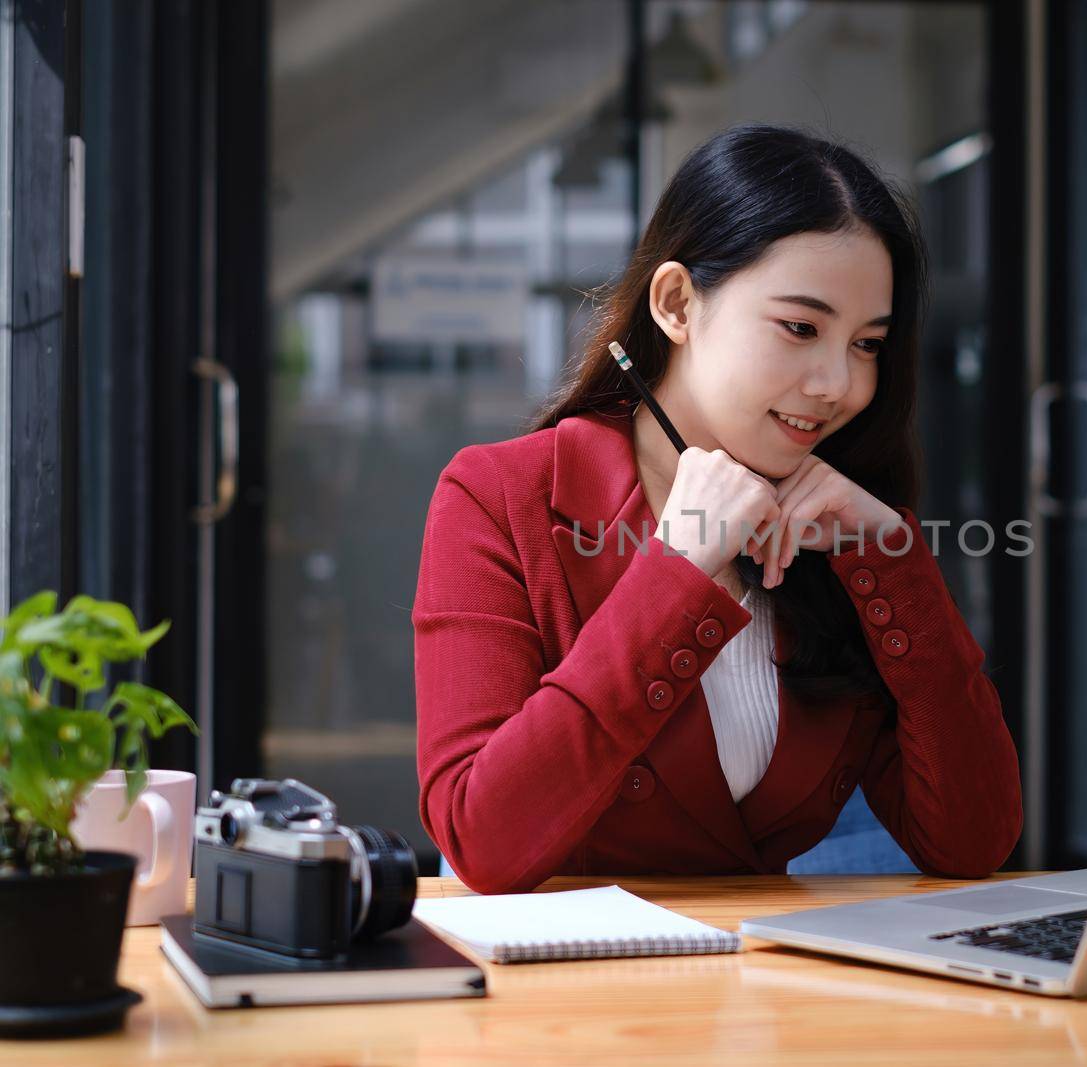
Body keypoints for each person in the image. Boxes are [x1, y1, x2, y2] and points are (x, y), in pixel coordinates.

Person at [412, 123, 1022, 894]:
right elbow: (481, 839)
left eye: (868, 343)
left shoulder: (836, 532)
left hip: (762, 994)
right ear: (675, 304)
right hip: (556, 1001)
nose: (838, 383)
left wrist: (892, 557)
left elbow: (972, 841)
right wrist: (678, 569)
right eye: (800, 328)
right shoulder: (500, 497)